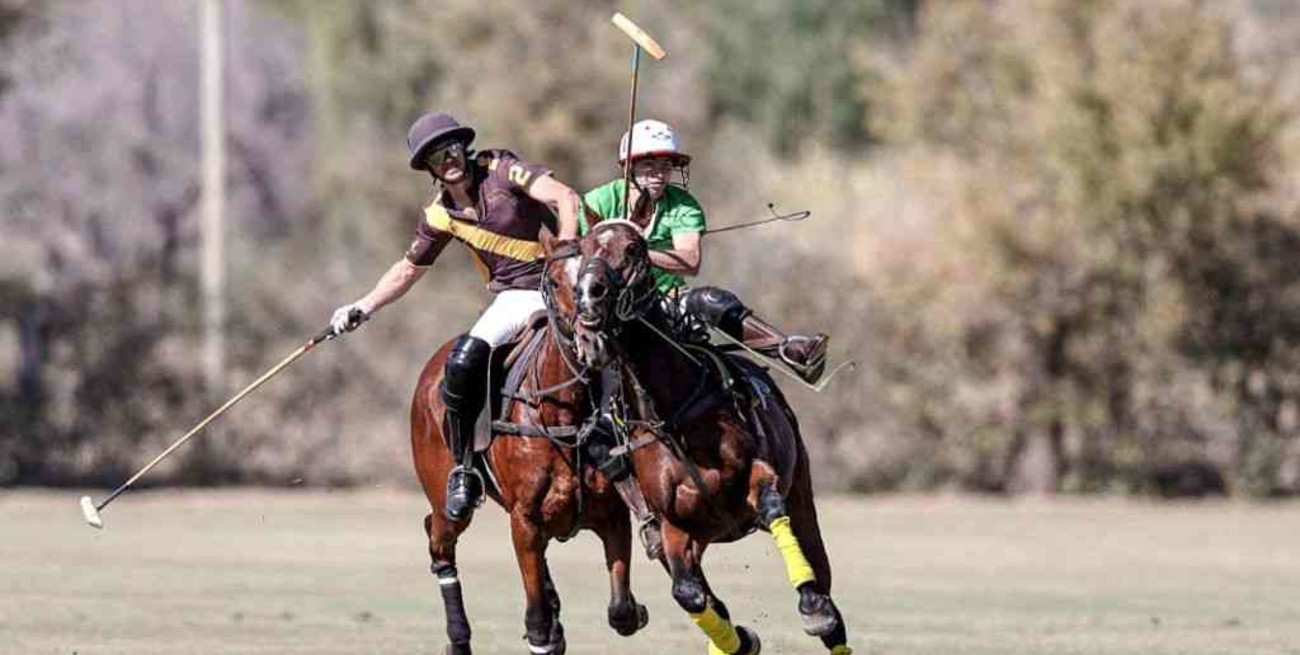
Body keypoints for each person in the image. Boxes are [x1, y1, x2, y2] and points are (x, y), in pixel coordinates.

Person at [329, 112, 584, 521]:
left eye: (450, 149)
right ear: (428, 168)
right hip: (516, 298)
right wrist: (363, 306)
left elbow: (564, 197)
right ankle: (465, 469)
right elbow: (408, 270)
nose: (447, 159)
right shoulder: (439, 216)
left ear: (463, 148)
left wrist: (567, 250)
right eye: (436, 156)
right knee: (463, 362)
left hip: (563, 284)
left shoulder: (502, 169)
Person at [581, 119, 829, 384]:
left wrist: (637, 253)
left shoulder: (682, 206)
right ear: (628, 168)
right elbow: (582, 255)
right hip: (603, 304)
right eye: (649, 166)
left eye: (666, 167)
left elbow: (690, 261)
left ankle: (789, 350)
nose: (659, 175)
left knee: (710, 300)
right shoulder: (598, 201)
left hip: (663, 302)